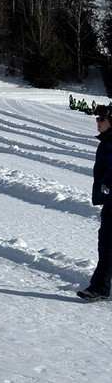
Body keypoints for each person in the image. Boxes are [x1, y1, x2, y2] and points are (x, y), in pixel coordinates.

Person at [80, 105, 112, 300]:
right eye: (97, 119)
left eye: (102, 119)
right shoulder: (106, 142)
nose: (98, 122)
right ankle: (100, 287)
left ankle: (99, 288)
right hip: (110, 202)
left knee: (107, 245)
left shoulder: (110, 143)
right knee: (107, 245)